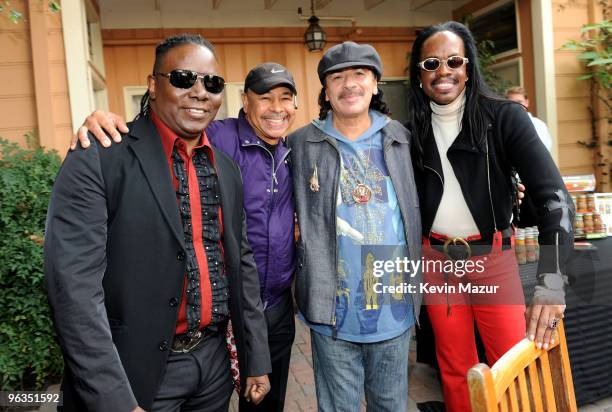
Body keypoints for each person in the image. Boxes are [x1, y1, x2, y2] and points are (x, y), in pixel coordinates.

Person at [45, 34, 271, 412]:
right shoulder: (99, 157)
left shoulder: (226, 169)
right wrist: (113, 399)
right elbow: (73, 292)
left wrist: (256, 358)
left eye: (212, 83)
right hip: (136, 375)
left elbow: (242, 267)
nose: (200, 92)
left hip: (213, 368)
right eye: (184, 78)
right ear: (153, 85)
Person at [405, 21, 574, 411]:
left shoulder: (504, 117)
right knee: (455, 370)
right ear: (418, 73)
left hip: (492, 259)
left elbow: (555, 198)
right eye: (431, 63)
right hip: (436, 262)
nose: (443, 71)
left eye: (453, 61)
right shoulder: (409, 130)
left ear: (468, 67)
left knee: (513, 362)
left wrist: (551, 282)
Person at [288, 41, 422, 411]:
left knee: (390, 405)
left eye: (359, 74)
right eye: (338, 77)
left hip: (393, 307)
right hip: (332, 309)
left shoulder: (403, 139)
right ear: (326, 90)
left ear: (375, 83)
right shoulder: (300, 145)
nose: (349, 84)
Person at [505, 85, 553, 151]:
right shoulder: (502, 126)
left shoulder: (538, 125)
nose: (516, 106)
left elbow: (543, 149)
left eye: (519, 102)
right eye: (512, 102)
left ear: (527, 103)